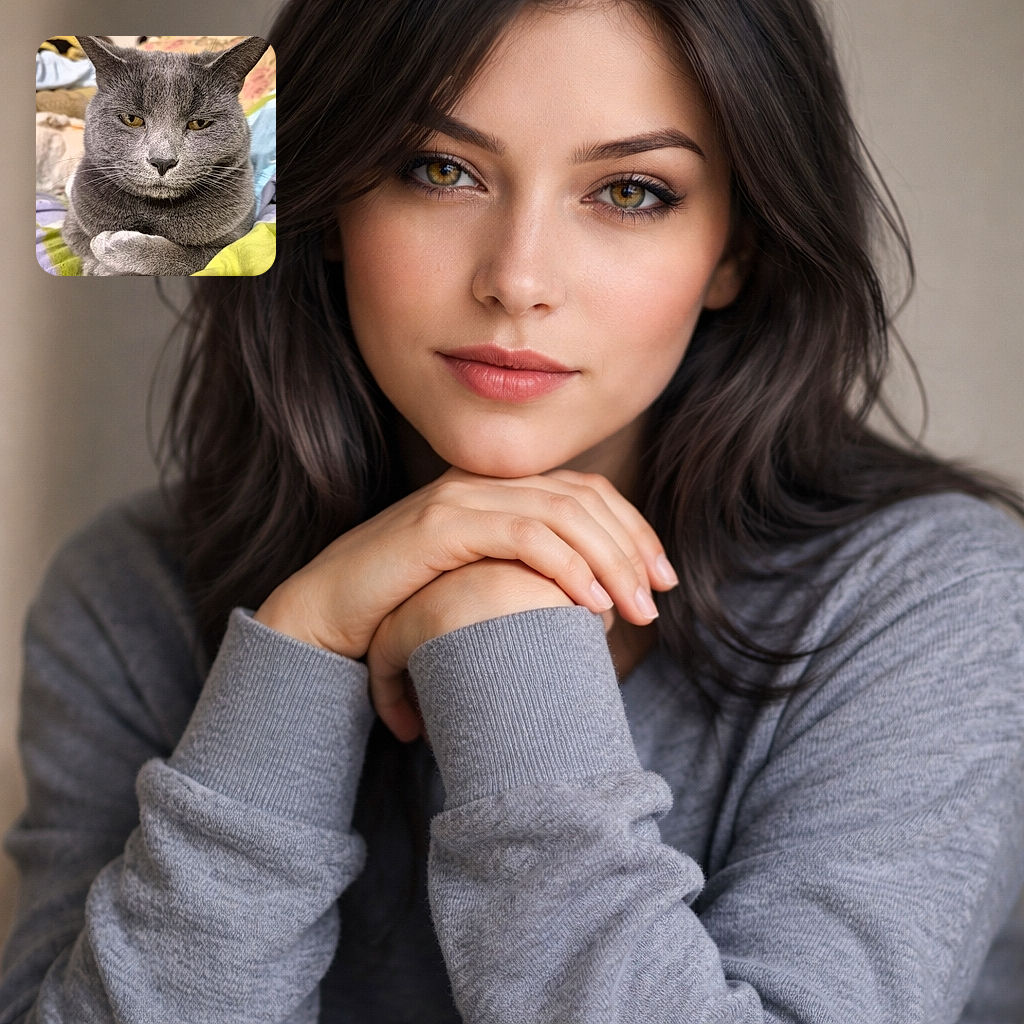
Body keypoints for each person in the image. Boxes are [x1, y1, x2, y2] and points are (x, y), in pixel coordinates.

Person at [2, 0, 1023, 1020]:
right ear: (318, 204)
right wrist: (298, 654)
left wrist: (504, 644)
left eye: (630, 191)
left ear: (734, 251)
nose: (518, 280)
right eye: (438, 169)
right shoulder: (129, 589)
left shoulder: (938, 601)